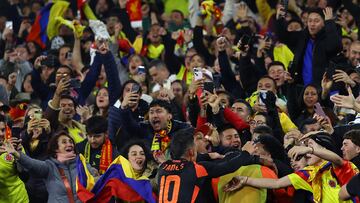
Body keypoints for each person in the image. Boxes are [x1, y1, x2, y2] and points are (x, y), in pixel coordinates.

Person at [224, 131, 358, 203]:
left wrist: (311, 150)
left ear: (323, 148)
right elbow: (277, 183)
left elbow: (337, 159)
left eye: (309, 144)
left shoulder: (339, 166)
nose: (305, 150)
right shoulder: (308, 174)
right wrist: (245, 180)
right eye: (305, 146)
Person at [157, 127, 264, 203]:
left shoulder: (162, 168)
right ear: (191, 152)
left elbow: (182, 163)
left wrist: (207, 156)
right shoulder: (197, 169)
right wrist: (246, 153)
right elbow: (228, 166)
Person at [0, 131, 97, 203]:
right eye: (64, 142)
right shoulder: (50, 166)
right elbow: (32, 164)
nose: (69, 144)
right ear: (55, 148)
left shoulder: (82, 165)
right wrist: (17, 154)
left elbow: (97, 182)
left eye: (71, 142)